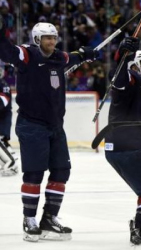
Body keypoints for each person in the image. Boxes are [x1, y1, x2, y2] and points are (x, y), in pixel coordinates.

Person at [0, 18, 98, 242]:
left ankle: (49, 218)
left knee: (61, 171)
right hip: (31, 125)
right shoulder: (27, 55)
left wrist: (86, 54)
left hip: (55, 126)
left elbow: (72, 57)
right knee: (34, 174)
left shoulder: (58, 57)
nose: (52, 41)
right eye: (47, 38)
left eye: (54, 37)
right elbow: (6, 51)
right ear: (37, 39)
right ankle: (29, 220)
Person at [104, 37, 141, 248]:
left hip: (126, 146)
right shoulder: (131, 79)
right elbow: (119, 78)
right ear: (135, 67)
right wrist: (123, 55)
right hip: (125, 147)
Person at [0, 66, 18, 177]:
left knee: (1, 139)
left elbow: (2, 103)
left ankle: (11, 163)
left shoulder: (3, 85)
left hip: (3, 118)